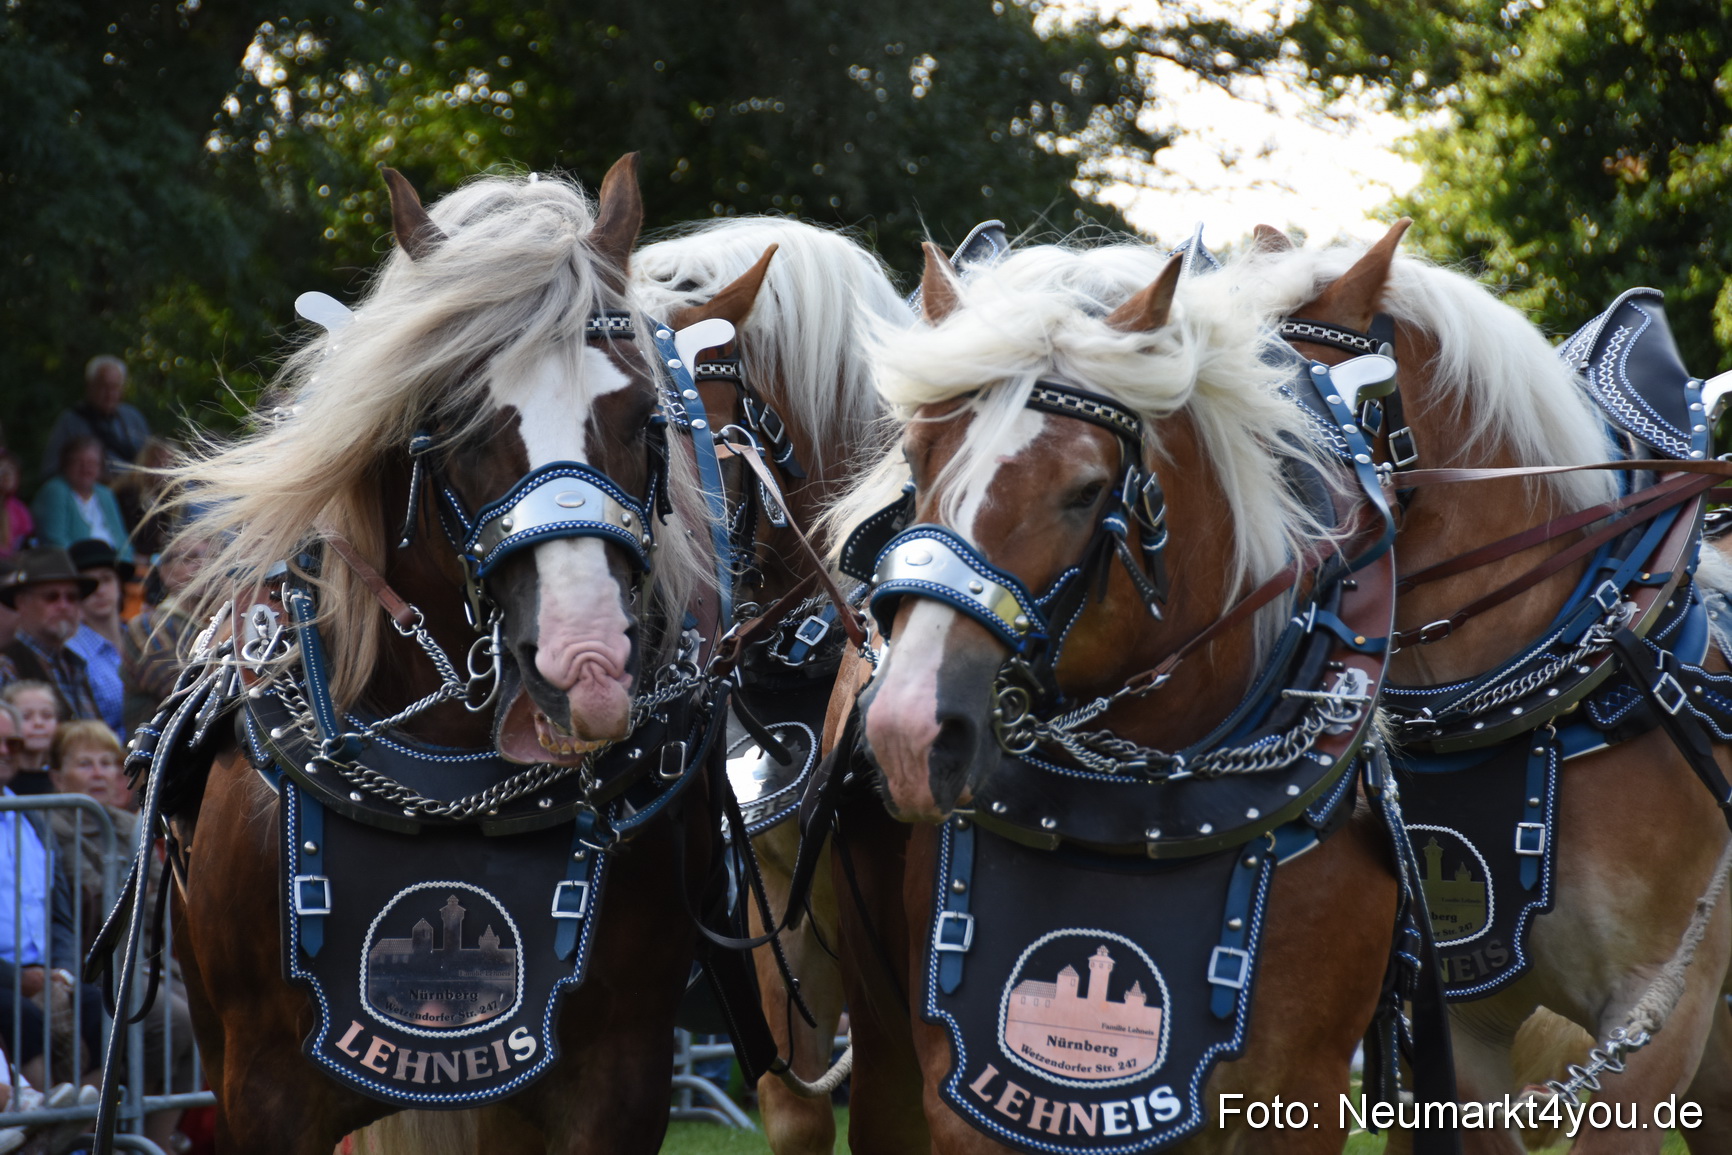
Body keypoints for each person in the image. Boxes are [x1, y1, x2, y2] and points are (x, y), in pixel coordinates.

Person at [44, 721, 192, 1147]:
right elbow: (95, 899)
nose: (98, 773)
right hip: (91, 963)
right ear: (56, 777)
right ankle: (122, 1138)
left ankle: (156, 1143)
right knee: (173, 1021)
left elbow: (163, 901)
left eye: (108, 763)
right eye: (84, 764)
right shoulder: (53, 825)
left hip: (142, 957)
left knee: (201, 1014)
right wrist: (137, 894)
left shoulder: (129, 827)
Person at [0, 549, 101, 726]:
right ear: (22, 602)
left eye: (72, 597)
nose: (64, 606)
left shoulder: (75, 664)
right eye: (51, 597)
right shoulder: (6, 665)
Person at [123, 535, 208, 736]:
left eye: (213, 557)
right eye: (190, 558)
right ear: (165, 572)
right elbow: (182, 690)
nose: (205, 565)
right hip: (160, 759)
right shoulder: (147, 626)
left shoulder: (225, 621)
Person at [39, 355, 152, 483]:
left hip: (135, 492)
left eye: (115, 387)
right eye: (103, 386)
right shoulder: (70, 422)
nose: (109, 394)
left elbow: (151, 462)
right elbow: (50, 469)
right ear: (90, 386)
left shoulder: (133, 417)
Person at [63, 540, 130, 741]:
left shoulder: (142, 635)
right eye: (89, 584)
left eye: (106, 579)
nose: (99, 590)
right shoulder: (71, 652)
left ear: (119, 584)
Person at [30, 438, 132, 560]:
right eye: (78, 462)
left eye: (92, 463)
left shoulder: (105, 493)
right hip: (75, 569)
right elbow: (55, 542)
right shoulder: (56, 490)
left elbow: (122, 540)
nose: (85, 469)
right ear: (66, 464)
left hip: (112, 567)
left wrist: (125, 565)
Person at [110, 437, 179, 563]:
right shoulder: (128, 493)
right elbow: (123, 534)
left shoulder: (170, 497)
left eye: (169, 462)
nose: (162, 467)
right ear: (145, 461)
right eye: (157, 461)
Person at [0, 683, 60, 796]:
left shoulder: (63, 779)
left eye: (47, 715)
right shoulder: (3, 776)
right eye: (26, 716)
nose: (38, 723)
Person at [0, 448, 33, 561]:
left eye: (11, 470)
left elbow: (25, 540)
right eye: (2, 470)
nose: (6, 475)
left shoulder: (19, 509)